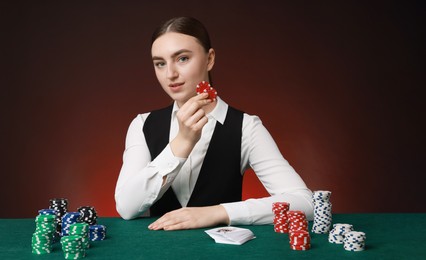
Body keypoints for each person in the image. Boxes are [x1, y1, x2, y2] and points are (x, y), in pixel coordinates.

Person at [114, 17, 314, 231]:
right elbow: (126, 207)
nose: (170, 74)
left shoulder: (246, 127)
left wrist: (218, 212)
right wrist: (181, 144)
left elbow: (306, 203)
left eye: (182, 58)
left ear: (209, 59)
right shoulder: (143, 124)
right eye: (160, 63)